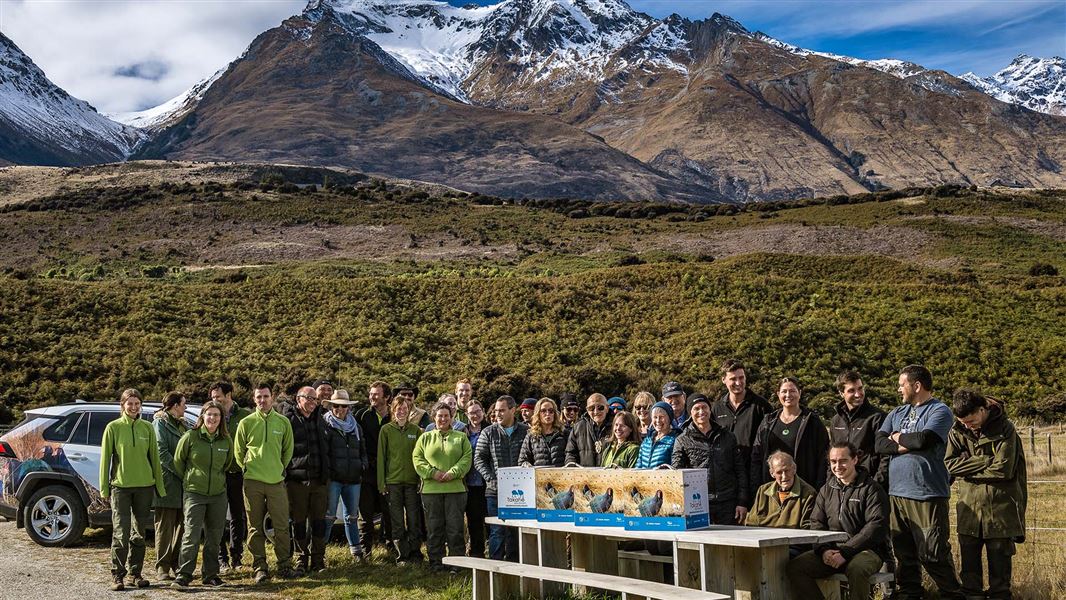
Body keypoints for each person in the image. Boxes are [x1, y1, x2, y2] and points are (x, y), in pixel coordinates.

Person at [874, 365, 963, 600]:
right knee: (904, 553)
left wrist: (897, 439)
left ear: (916, 386)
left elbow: (924, 439)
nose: (898, 389)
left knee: (933, 553)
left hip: (927, 493)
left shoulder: (940, 411)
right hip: (897, 493)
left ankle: (951, 594)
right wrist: (904, 443)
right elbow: (879, 444)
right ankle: (910, 593)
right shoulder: (896, 412)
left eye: (902, 384)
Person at [945, 389, 1027, 600]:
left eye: (971, 420)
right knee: (969, 577)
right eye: (963, 422)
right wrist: (984, 461)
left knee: (1000, 579)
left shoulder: (1006, 429)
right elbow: (950, 465)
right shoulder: (957, 430)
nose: (967, 425)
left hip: (1000, 511)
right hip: (969, 510)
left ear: (983, 409)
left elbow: (1003, 470)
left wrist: (968, 467)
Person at [786, 442, 891, 600]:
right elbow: (816, 523)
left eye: (843, 461)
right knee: (796, 567)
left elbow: (876, 526)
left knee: (857, 569)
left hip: (866, 550)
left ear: (854, 460)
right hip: (832, 550)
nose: (837, 466)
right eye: (833, 461)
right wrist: (824, 550)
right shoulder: (826, 489)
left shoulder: (871, 489)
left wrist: (845, 552)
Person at [100, 389, 166, 591]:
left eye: (137, 403)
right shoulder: (113, 428)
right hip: (121, 487)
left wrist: (159, 487)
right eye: (130, 403)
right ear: (123, 405)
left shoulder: (147, 428)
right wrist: (104, 489)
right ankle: (117, 576)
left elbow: (155, 458)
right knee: (121, 532)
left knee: (139, 533)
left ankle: (135, 574)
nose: (134, 407)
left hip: (144, 487)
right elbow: (105, 460)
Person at [234, 382, 296, 584]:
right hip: (253, 482)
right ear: (254, 399)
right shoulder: (246, 422)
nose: (262, 400)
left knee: (281, 525)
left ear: (272, 397)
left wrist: (279, 468)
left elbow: (288, 451)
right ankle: (260, 566)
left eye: (266, 396)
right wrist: (248, 469)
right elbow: (238, 452)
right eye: (258, 397)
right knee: (254, 527)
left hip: (276, 481)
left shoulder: (283, 422)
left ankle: (285, 565)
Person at [171, 400, 233, 589]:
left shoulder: (225, 440)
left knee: (215, 536)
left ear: (221, 419)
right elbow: (178, 462)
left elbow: (227, 464)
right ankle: (184, 575)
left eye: (216, 415)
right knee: (191, 535)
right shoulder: (191, 436)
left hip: (218, 495)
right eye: (209, 414)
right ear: (202, 416)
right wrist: (192, 479)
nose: (212, 418)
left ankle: (211, 575)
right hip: (194, 494)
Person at [413, 401, 473, 573]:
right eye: (440, 416)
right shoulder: (424, 438)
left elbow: (467, 458)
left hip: (456, 490)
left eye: (447, 416)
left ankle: (456, 563)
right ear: (434, 417)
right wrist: (433, 473)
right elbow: (417, 459)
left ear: (452, 417)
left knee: (455, 529)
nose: (443, 419)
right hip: (431, 491)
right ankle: (436, 563)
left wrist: (453, 472)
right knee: (434, 529)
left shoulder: (461, 437)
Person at [672, 393, 748, 524]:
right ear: (690, 412)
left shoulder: (727, 436)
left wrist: (742, 502)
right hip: (698, 503)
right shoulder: (682, 440)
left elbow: (740, 470)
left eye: (704, 407)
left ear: (709, 409)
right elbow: (677, 474)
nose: (701, 412)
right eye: (696, 409)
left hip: (728, 502)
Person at [280, 385, 331, 574]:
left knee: (319, 522)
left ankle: (318, 560)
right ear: (298, 399)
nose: (312, 402)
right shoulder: (288, 420)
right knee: (299, 522)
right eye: (308, 398)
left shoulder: (322, 419)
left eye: (315, 399)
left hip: (320, 480)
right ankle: (300, 559)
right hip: (297, 481)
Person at [750, 377, 830, 497]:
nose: (788, 395)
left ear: (799, 393)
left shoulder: (812, 422)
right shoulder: (768, 422)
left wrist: (820, 490)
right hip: (771, 491)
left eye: (792, 391)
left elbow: (823, 459)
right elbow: (756, 457)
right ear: (778, 394)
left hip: (804, 492)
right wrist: (756, 489)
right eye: (784, 391)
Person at [474, 396, 529, 561]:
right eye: (496, 410)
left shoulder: (526, 431)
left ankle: (514, 566)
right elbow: (479, 459)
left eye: (502, 410)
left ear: (513, 410)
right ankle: (496, 567)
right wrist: (491, 479)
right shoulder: (488, 432)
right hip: (495, 491)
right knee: (497, 531)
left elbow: (530, 455)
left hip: (521, 492)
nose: (497, 414)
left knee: (516, 530)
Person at [711, 359, 772, 505]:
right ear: (723, 380)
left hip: (754, 476)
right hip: (726, 479)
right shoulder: (716, 408)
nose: (738, 382)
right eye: (733, 379)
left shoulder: (761, 406)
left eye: (741, 377)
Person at [322, 389, 369, 562]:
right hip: (334, 478)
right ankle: (321, 552)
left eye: (343, 406)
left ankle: (356, 552)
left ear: (348, 408)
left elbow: (362, 449)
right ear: (331, 407)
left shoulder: (355, 427)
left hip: (353, 478)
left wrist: (362, 465)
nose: (340, 410)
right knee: (329, 516)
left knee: (352, 516)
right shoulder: (326, 425)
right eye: (336, 406)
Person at [210, 381, 251, 572]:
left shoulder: (244, 416)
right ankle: (221, 558)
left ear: (229, 395)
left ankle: (237, 557)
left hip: (238, 474)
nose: (214, 400)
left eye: (217, 396)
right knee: (217, 517)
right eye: (212, 397)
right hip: (218, 474)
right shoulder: (212, 415)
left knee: (238, 516)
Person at [378, 396, 424, 564]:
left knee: (414, 519)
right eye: (398, 408)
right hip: (393, 482)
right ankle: (402, 555)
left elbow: (420, 458)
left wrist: (421, 480)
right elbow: (381, 457)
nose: (402, 411)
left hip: (412, 482)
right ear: (393, 410)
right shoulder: (386, 430)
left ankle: (415, 552)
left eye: (405, 408)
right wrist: (381, 482)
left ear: (409, 410)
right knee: (397, 521)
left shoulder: (416, 430)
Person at [152, 391, 188, 582]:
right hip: (167, 482)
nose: (185, 407)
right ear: (175, 405)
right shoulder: (160, 423)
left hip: (183, 485)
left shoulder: (182, 425)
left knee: (182, 526)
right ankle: (162, 566)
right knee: (165, 526)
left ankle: (176, 562)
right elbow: (161, 452)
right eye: (184, 404)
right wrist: (181, 472)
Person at [830, 371, 888, 487]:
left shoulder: (877, 417)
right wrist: (831, 483)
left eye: (860, 389)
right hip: (842, 486)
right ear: (841, 393)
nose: (858, 394)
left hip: (869, 486)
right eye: (851, 390)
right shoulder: (836, 421)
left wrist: (876, 484)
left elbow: (886, 456)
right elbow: (831, 456)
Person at [357, 380, 392, 552]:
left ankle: (391, 546)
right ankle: (365, 549)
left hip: (388, 472)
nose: (372, 397)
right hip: (367, 471)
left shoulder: (394, 416)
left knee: (389, 511)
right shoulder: (361, 415)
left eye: (376, 394)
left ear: (386, 397)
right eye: (370, 394)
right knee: (366, 513)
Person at [745, 451, 817, 529]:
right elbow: (751, 523)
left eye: (787, 470)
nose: (784, 476)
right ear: (772, 473)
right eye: (779, 472)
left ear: (794, 469)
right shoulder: (763, 491)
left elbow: (806, 529)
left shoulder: (809, 494)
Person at [464, 401, 489, 558]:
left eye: (477, 411)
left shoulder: (490, 429)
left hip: (486, 482)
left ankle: (493, 552)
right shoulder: (462, 431)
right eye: (471, 412)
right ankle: (476, 553)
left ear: (483, 411)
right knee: (473, 521)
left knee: (489, 520)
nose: (475, 415)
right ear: (466, 414)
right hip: (469, 483)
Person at [565, 393, 613, 466]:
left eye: (600, 407)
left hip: (609, 475)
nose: (596, 412)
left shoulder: (617, 426)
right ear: (587, 410)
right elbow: (571, 454)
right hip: (584, 475)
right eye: (591, 408)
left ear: (607, 408)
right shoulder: (578, 427)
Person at [519, 398, 567, 467]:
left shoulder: (563, 433)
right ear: (538, 414)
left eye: (551, 411)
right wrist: (526, 465)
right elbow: (522, 460)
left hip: (561, 476)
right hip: (539, 476)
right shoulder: (531, 436)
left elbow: (571, 457)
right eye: (543, 411)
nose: (547, 414)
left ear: (555, 413)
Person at [637, 401, 680, 469]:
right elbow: (638, 466)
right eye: (655, 417)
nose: (658, 421)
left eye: (661, 417)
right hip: (644, 479)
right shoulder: (646, 441)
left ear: (669, 419)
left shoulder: (675, 441)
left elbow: (675, 468)